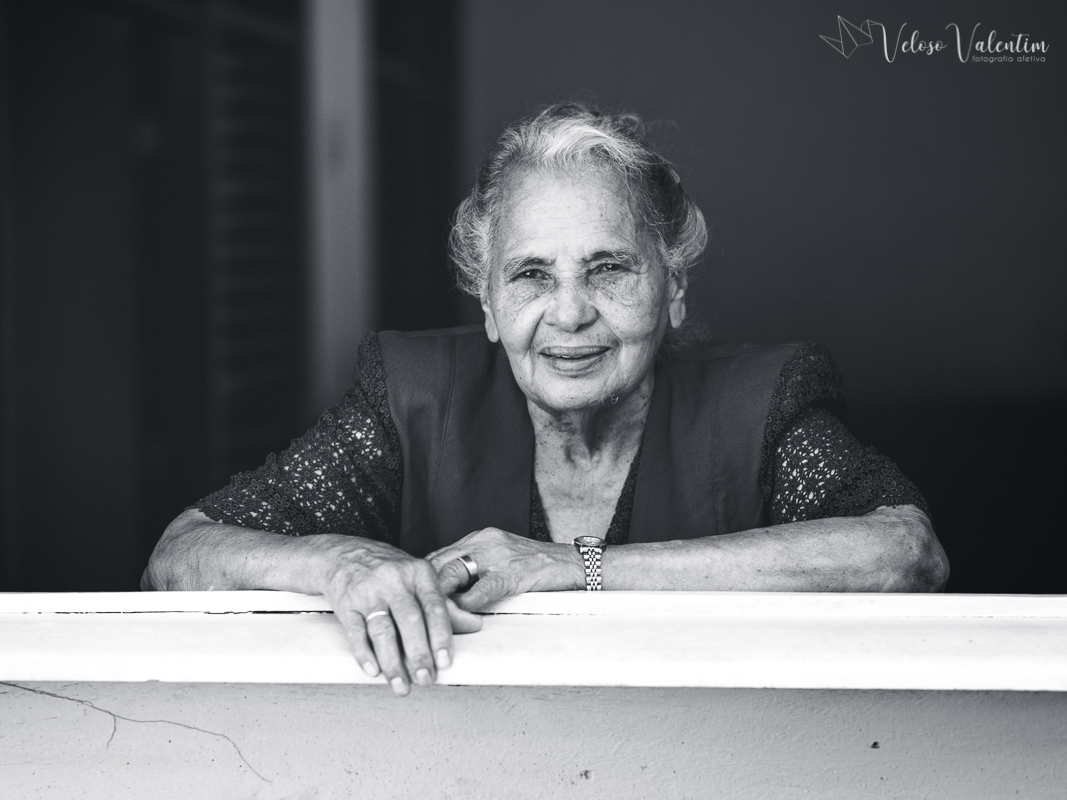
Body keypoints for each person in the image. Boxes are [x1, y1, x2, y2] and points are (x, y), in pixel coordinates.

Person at [143, 103, 949, 696]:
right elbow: (180, 556)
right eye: (531, 275)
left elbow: (903, 555)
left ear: (673, 288)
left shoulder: (758, 403)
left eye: (609, 268)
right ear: (489, 305)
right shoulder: (412, 399)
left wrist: (570, 567)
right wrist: (341, 564)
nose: (568, 314)